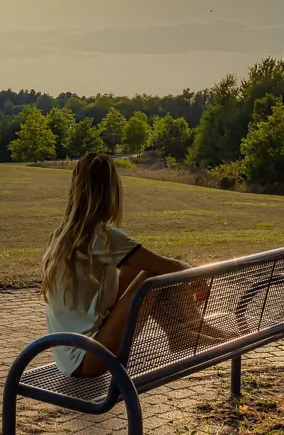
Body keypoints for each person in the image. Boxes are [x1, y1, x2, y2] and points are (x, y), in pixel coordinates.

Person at [41, 152, 226, 377]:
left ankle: (190, 330)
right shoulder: (100, 236)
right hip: (90, 356)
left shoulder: (62, 235)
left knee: (140, 268)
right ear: (112, 192)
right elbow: (164, 265)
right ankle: (191, 330)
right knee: (150, 274)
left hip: (70, 355)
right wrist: (199, 278)